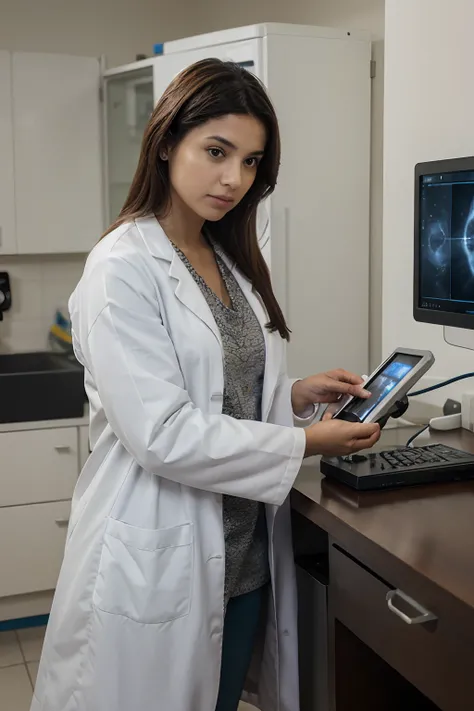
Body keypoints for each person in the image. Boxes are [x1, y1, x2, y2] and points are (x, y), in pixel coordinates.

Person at [30, 59, 380, 711]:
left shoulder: (227, 257)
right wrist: (305, 443)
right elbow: (163, 433)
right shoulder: (121, 270)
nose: (234, 179)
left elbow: (213, 385)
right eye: (217, 151)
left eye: (251, 162)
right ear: (166, 142)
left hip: (243, 560)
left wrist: (294, 392)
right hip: (161, 562)